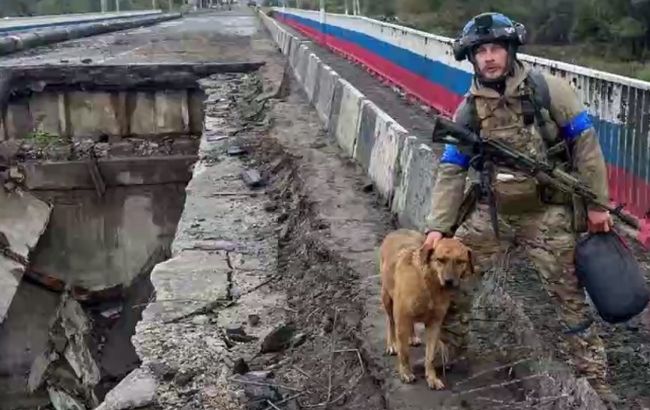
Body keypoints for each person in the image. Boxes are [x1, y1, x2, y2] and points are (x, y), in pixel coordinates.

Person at [423, 12, 618, 403]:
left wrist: (598, 206)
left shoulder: (550, 92)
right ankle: (446, 353)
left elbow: (587, 151)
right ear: (472, 58)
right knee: (453, 283)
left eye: (496, 48)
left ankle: (594, 382)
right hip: (493, 214)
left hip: (548, 214)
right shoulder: (468, 111)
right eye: (481, 51)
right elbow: (451, 169)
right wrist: (439, 227)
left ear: (510, 50)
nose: (489, 57)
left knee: (569, 300)